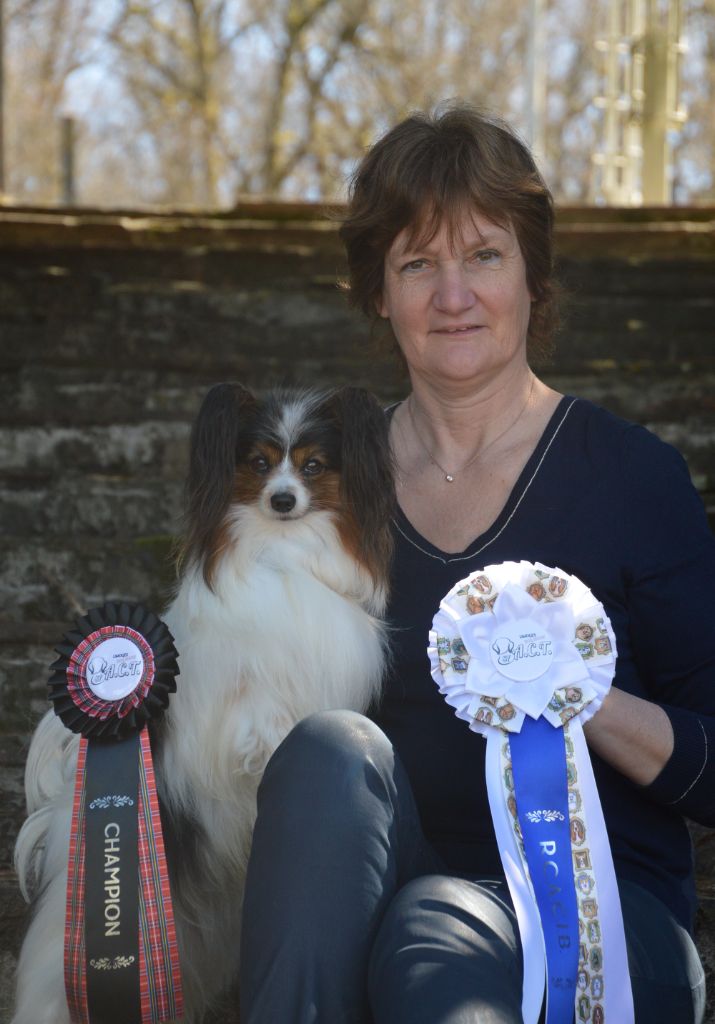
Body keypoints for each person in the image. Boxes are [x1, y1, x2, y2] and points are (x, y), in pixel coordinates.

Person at [238, 104, 712, 1022]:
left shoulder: (632, 477)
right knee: (332, 753)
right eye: (417, 263)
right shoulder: (329, 486)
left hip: (611, 926)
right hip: (385, 899)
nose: (452, 296)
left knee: (434, 930)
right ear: (379, 292)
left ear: (533, 272)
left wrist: (578, 694)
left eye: (483, 256)